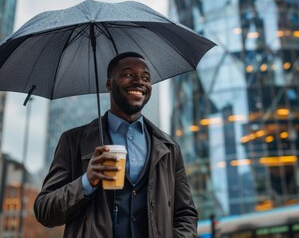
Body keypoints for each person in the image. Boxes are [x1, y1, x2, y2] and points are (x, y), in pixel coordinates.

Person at [34, 52, 199, 238]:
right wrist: (87, 182)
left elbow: (186, 214)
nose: (139, 82)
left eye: (145, 77)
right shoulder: (73, 141)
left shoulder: (169, 148)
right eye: (129, 74)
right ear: (109, 84)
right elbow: (44, 210)